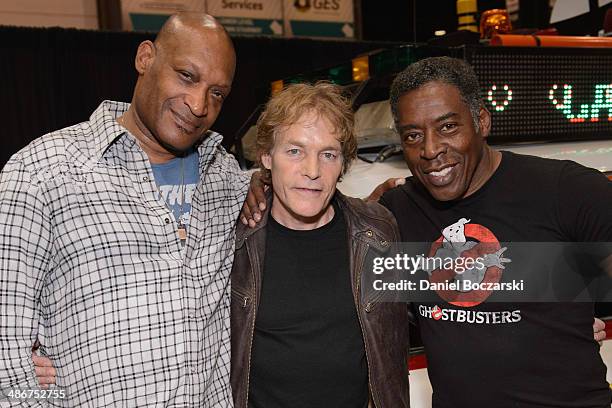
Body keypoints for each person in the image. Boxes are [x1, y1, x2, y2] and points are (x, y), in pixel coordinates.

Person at [241, 57, 612, 407]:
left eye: (447, 126)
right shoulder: (395, 214)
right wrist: (260, 184)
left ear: (481, 121)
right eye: (413, 135)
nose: (431, 149)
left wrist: (576, 319)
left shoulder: (569, 191)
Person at [0, 12, 247, 406]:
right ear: (146, 58)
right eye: (186, 76)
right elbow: (5, 347)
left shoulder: (227, 177)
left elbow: (303, 190)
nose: (199, 104)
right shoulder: (43, 172)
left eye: (217, 93)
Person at [230, 82, 409, 408]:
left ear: (343, 163)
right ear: (267, 157)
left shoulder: (377, 231)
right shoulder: (236, 237)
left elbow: (393, 347)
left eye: (328, 154)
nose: (312, 171)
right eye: (294, 151)